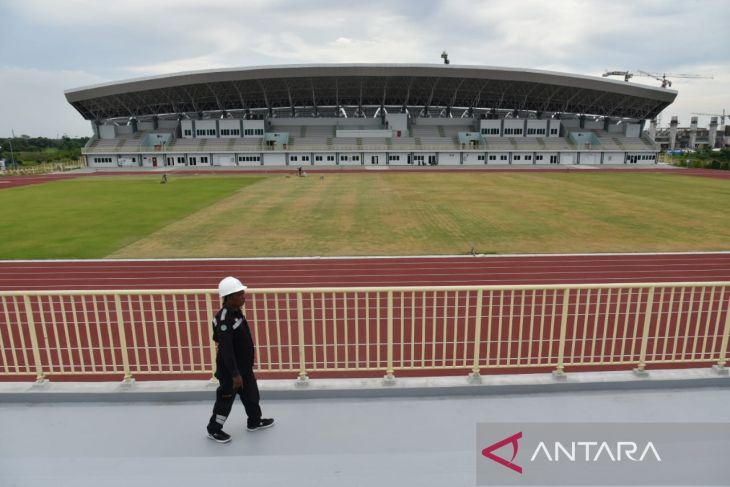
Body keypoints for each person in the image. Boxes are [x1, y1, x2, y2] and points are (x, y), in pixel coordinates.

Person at [206, 276, 274, 443]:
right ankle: (214, 429)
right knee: (225, 401)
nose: (244, 296)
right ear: (229, 297)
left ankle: (254, 421)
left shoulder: (236, 313)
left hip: (244, 368)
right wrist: (235, 374)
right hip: (232, 371)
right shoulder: (224, 319)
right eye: (239, 293)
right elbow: (226, 349)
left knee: (252, 396)